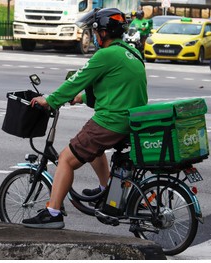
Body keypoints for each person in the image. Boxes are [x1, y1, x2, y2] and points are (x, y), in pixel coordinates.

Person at [22, 8, 148, 229]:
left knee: (66, 159)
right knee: (91, 149)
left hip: (112, 121)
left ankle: (52, 212)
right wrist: (82, 98)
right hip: (132, 121)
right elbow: (115, 86)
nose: (94, 36)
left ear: (103, 33)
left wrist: (50, 100)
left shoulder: (105, 55)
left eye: (95, 31)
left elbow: (76, 81)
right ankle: (105, 189)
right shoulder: (132, 52)